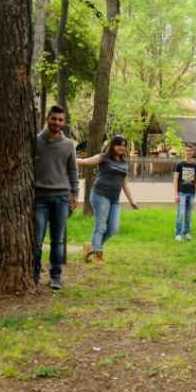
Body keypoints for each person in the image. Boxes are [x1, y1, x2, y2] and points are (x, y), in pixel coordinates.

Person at [34, 105, 79, 290]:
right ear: (47, 119)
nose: (57, 122)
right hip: (39, 199)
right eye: (54, 119)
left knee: (57, 240)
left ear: (64, 122)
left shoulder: (68, 145)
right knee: (36, 240)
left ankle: (55, 277)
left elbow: (72, 171)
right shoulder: (35, 141)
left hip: (61, 198)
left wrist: (75, 194)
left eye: (60, 120)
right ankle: (34, 274)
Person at [77, 135, 139, 264]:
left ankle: (91, 246)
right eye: (119, 144)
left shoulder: (123, 164)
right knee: (100, 225)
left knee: (113, 228)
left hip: (114, 199)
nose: (122, 147)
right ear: (112, 145)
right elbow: (85, 161)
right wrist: (67, 157)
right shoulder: (103, 158)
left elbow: (125, 183)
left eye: (124, 145)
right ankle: (97, 256)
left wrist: (132, 201)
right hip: (100, 195)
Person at [173, 144, 196, 241]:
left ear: (193, 152)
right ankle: (178, 233)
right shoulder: (179, 165)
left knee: (188, 214)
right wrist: (175, 194)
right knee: (180, 213)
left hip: (192, 193)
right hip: (181, 193)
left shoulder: (195, 166)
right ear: (184, 152)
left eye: (190, 151)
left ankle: (186, 232)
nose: (188, 152)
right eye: (187, 151)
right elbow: (175, 180)